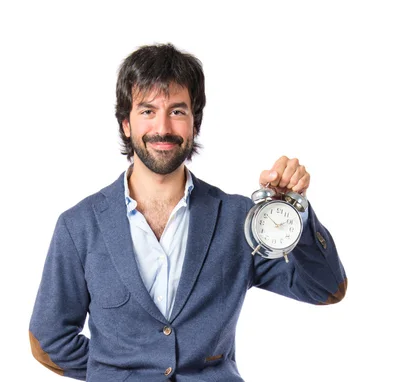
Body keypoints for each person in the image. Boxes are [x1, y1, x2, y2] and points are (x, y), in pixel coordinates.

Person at [29, 43, 347, 381]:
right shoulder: (79, 226)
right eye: (147, 111)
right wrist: (115, 371)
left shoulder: (238, 218)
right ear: (126, 124)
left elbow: (325, 289)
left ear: (195, 123)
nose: (163, 127)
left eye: (177, 111)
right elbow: (48, 339)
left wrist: (294, 209)